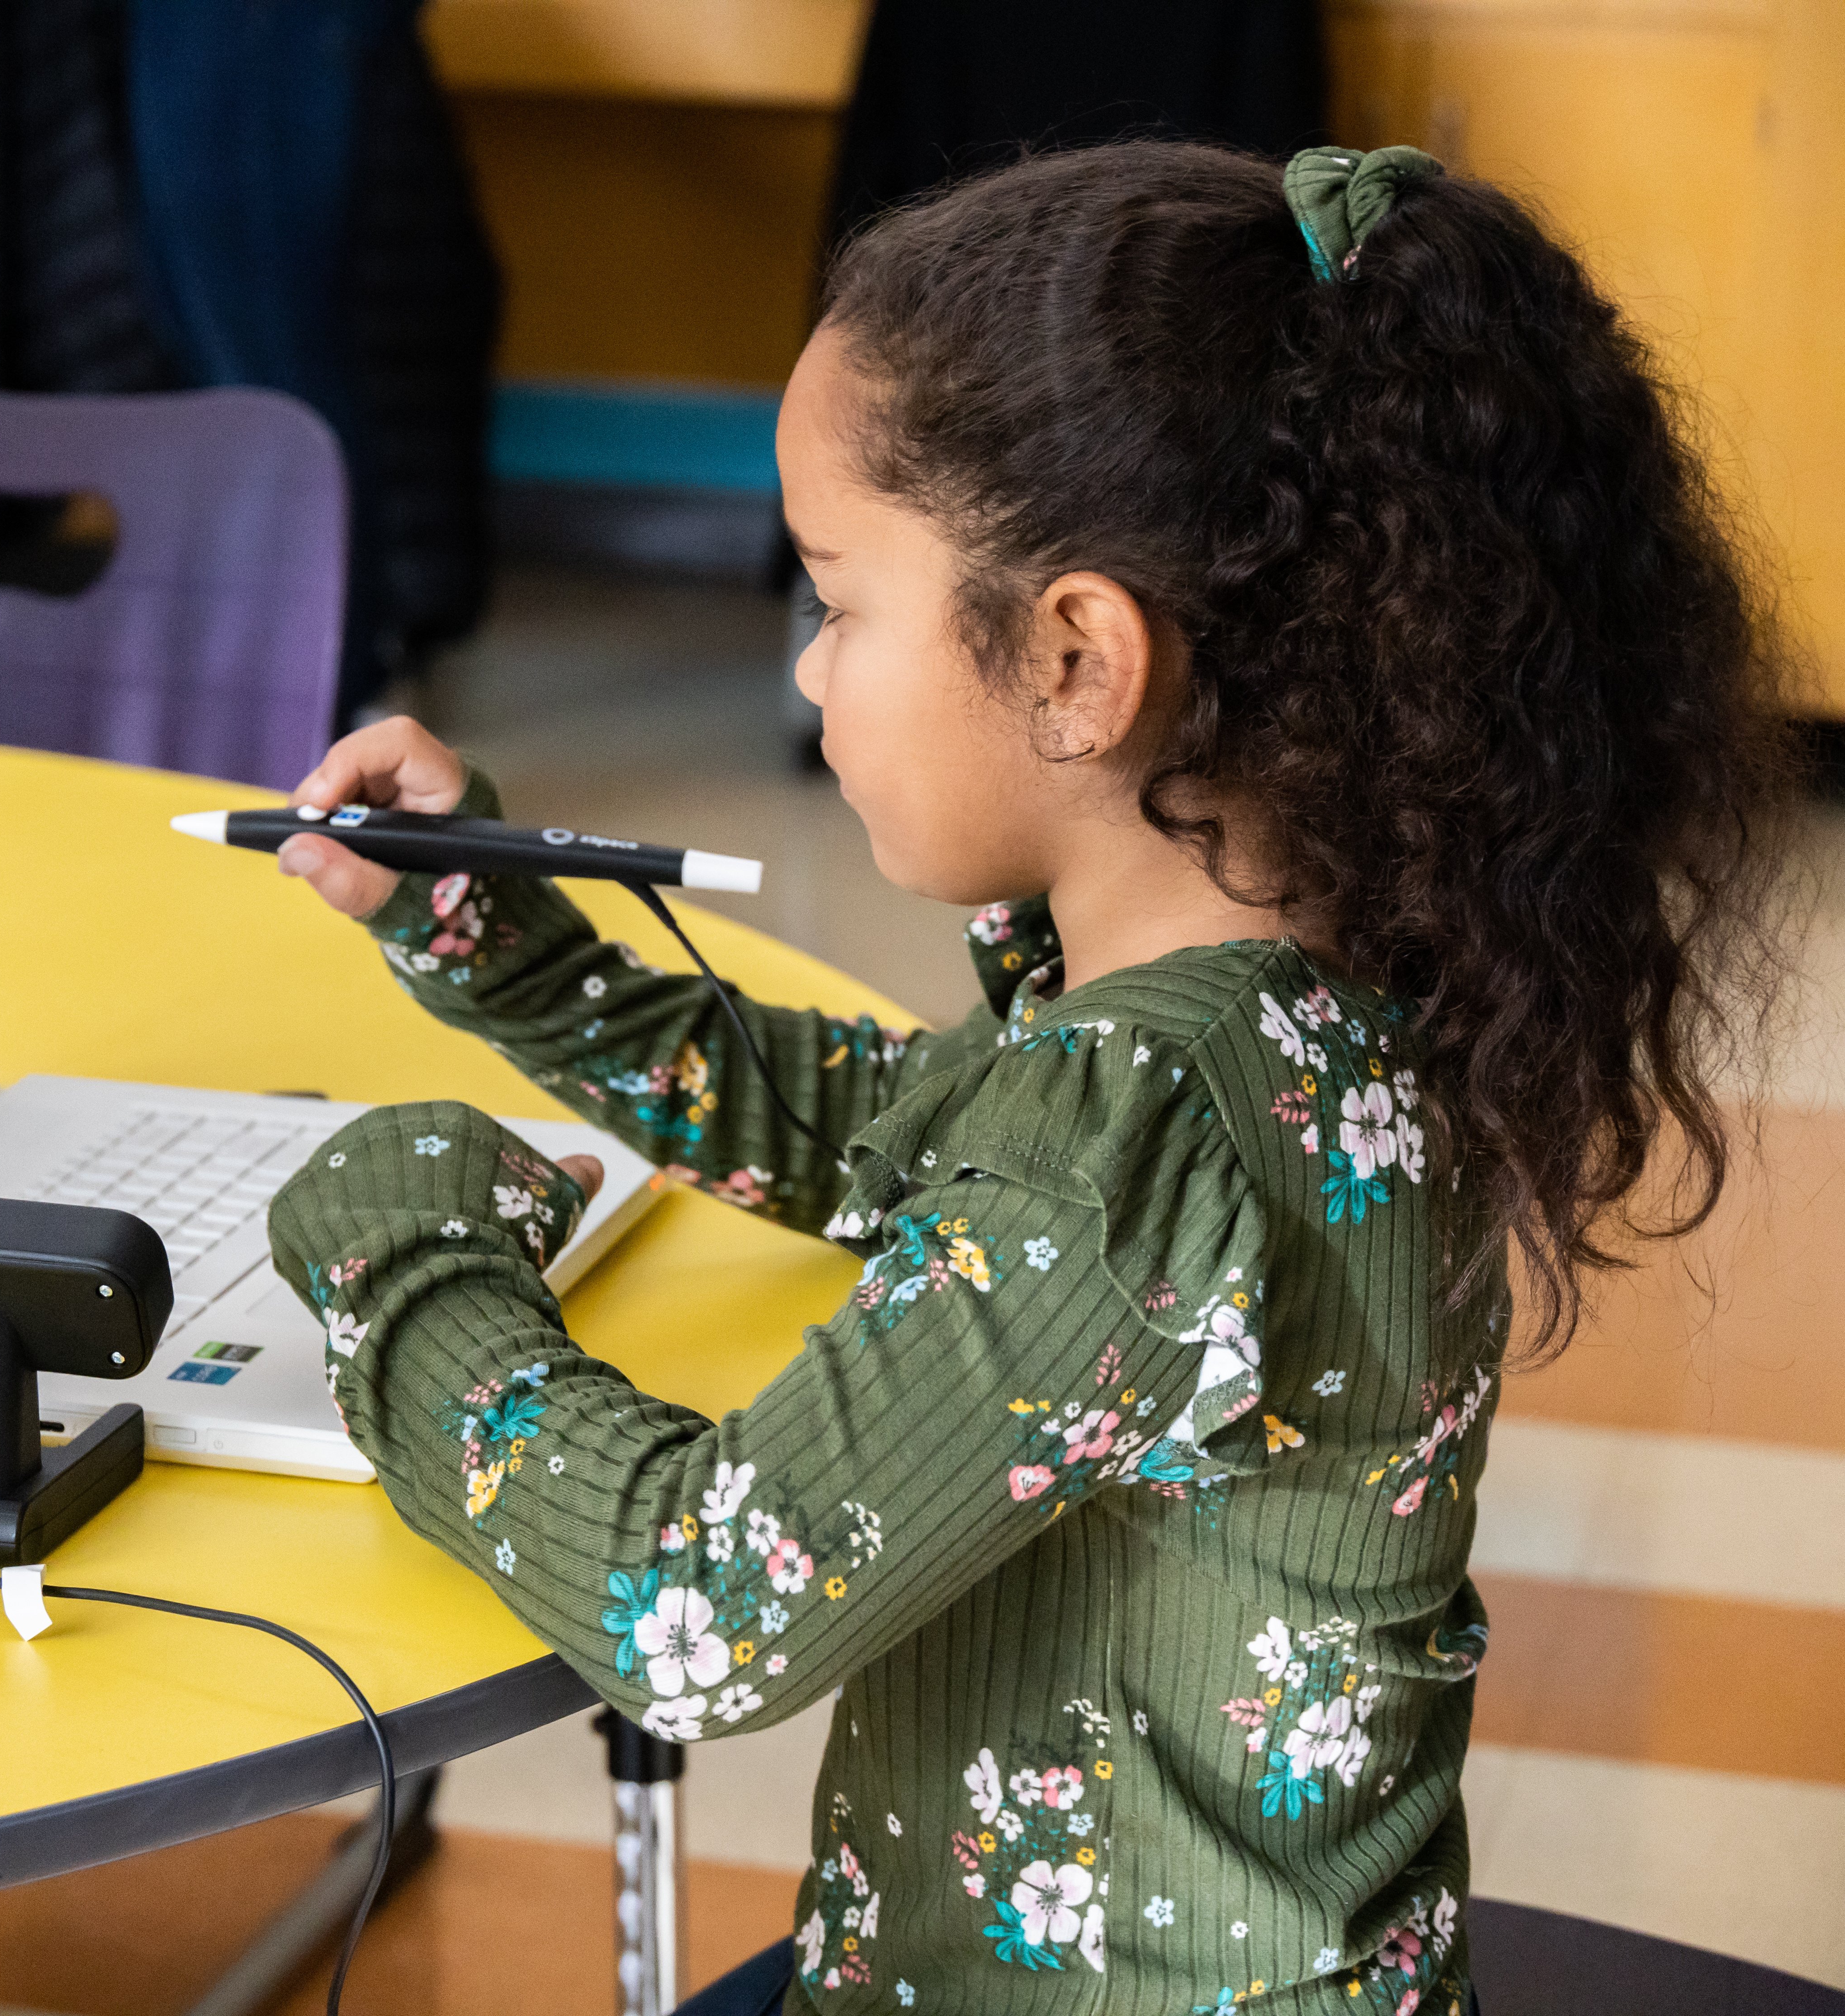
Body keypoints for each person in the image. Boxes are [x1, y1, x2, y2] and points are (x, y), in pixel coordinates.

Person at [260, 141, 1791, 2015]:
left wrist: (404, 1260)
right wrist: (499, 938)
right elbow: (896, 1137)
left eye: (839, 600)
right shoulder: (1326, 974)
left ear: (1078, 659)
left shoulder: (1138, 1128)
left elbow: (698, 1609)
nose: (815, 677)